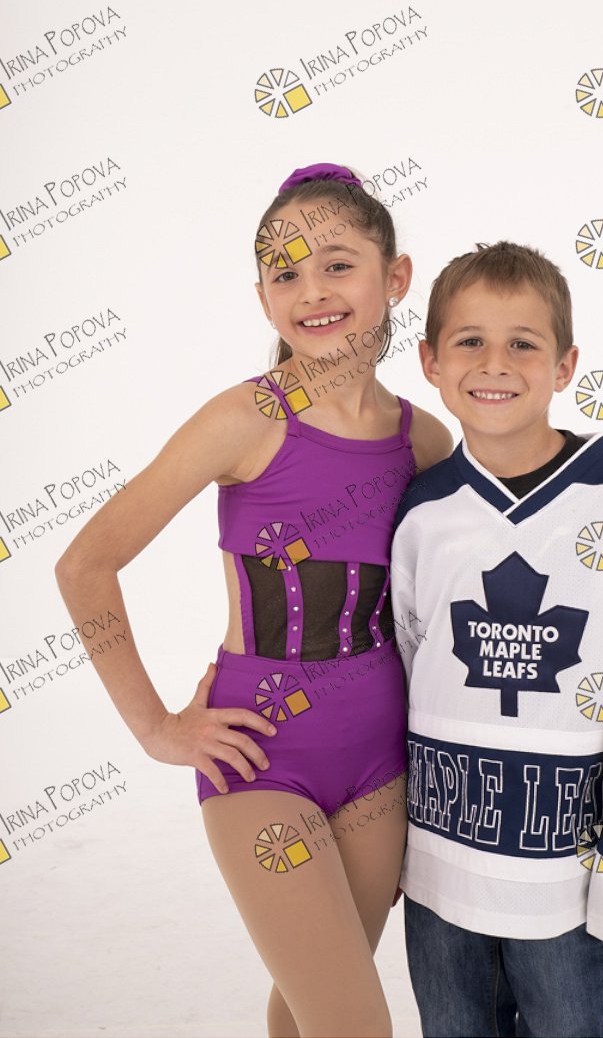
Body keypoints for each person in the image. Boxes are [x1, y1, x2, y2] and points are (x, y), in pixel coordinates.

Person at [54, 162, 453, 1038]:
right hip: (258, 758)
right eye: (285, 272)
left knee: (310, 1004)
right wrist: (157, 728)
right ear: (263, 298)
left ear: (395, 277)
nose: (312, 290)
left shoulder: (425, 440)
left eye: (337, 264)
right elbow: (86, 564)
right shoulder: (245, 419)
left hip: (382, 765)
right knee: (356, 1024)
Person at [390, 240, 603, 1038]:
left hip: (567, 878)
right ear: (429, 362)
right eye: (470, 340)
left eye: (523, 343)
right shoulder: (424, 509)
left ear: (565, 366)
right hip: (441, 869)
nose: (495, 362)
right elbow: (405, 665)